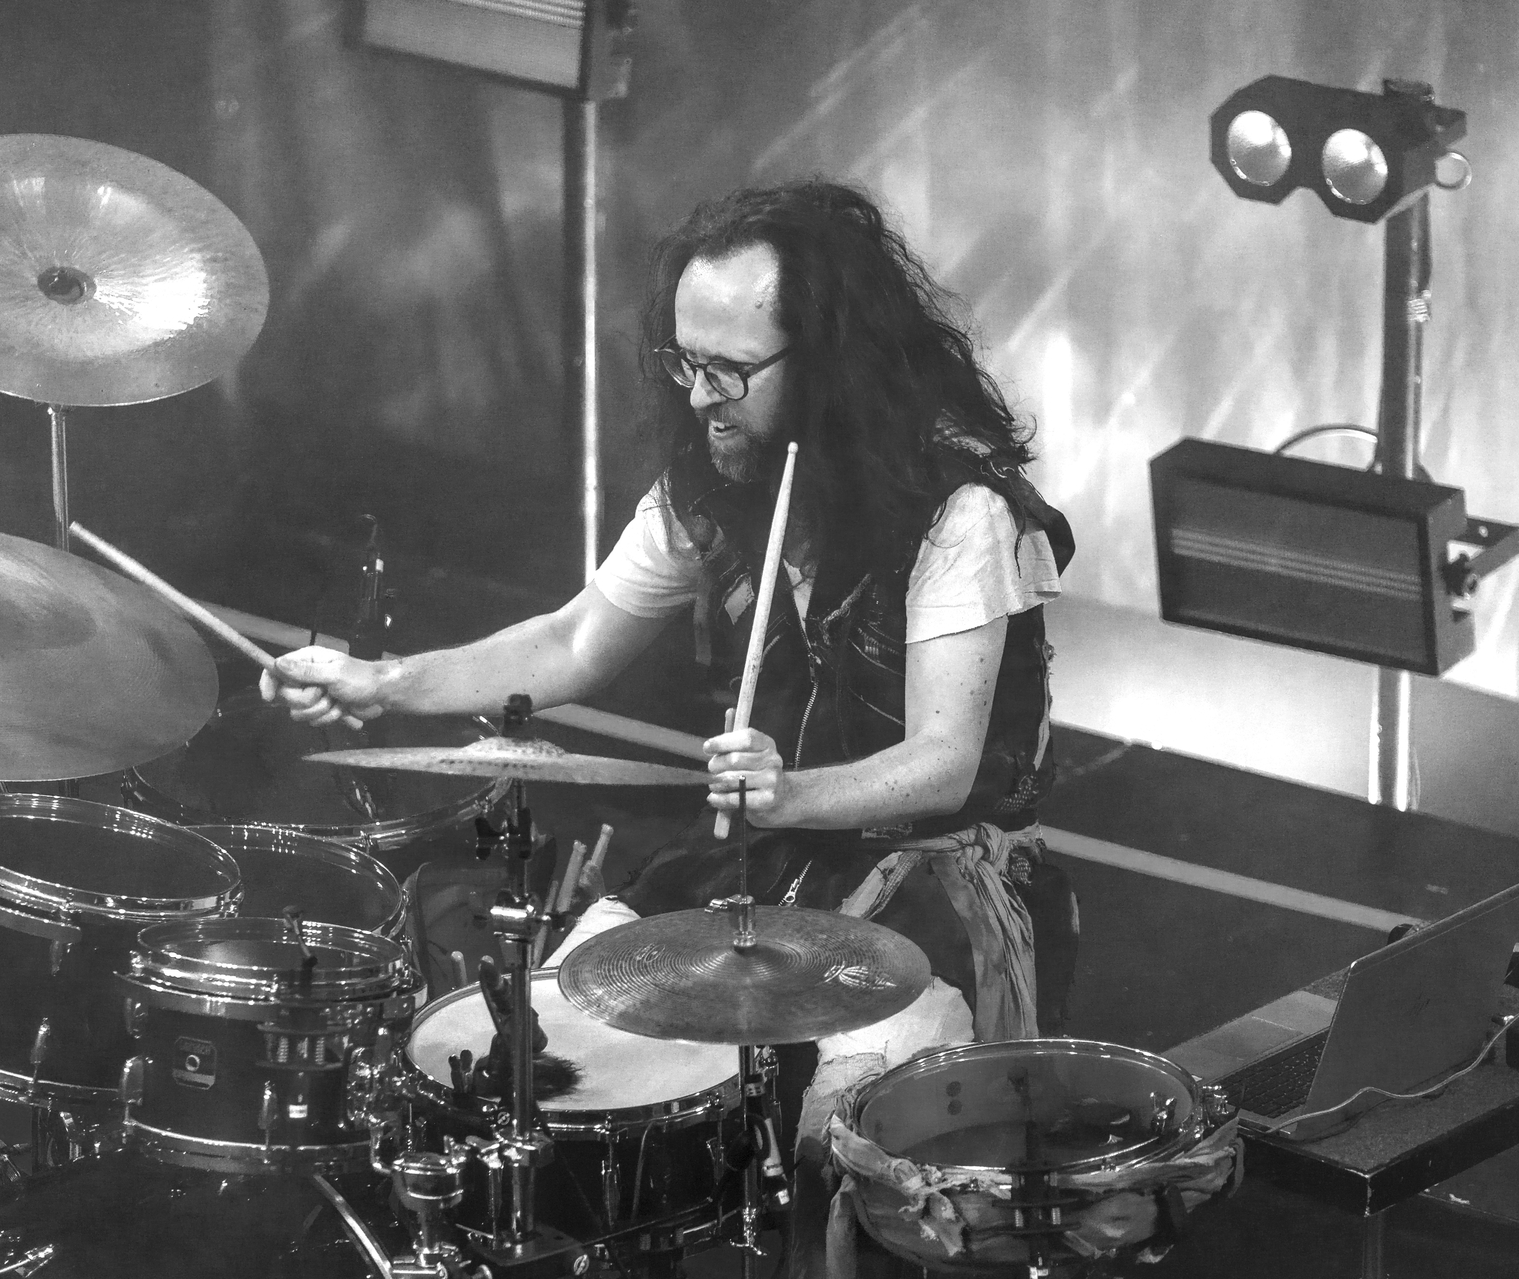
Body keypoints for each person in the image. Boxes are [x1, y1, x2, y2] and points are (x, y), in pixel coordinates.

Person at [263, 180, 1076, 1275]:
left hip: (931, 875)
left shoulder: (960, 511)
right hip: (763, 863)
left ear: (829, 362)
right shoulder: (714, 485)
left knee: (843, 1128)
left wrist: (791, 792)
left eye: (730, 370)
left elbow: (942, 763)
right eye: (684, 363)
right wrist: (383, 681)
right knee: (569, 1050)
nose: (699, 397)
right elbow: (573, 641)